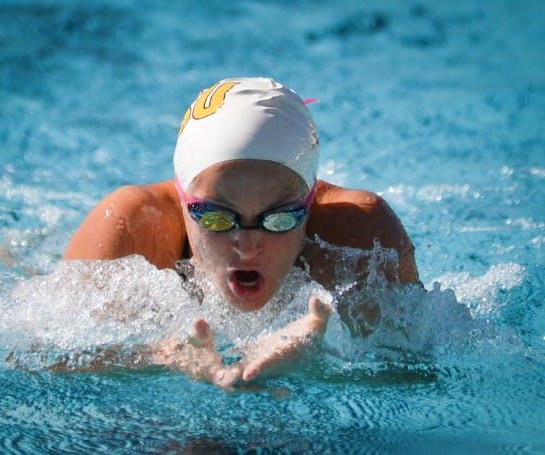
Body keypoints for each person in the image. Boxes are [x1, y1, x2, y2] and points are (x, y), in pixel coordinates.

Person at [63, 77, 420, 387]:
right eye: (216, 218)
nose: (248, 247)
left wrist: (322, 357)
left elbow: (418, 373)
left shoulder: (361, 235)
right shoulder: (132, 227)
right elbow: (47, 363)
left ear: (309, 202)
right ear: (183, 198)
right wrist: (167, 353)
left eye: (279, 218)